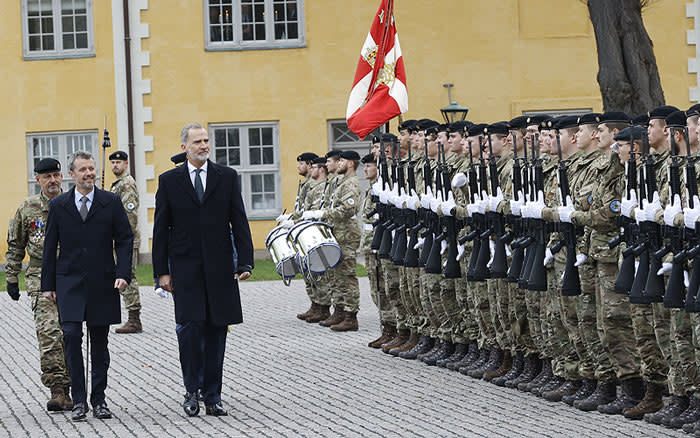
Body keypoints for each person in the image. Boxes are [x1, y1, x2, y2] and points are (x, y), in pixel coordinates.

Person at [152, 123, 254, 417]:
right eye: (197, 141)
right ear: (184, 146)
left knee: (216, 331)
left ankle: (213, 394)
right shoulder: (170, 181)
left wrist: (244, 261)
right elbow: (161, 230)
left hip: (220, 269)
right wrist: (162, 272)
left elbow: (239, 220)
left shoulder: (226, 177)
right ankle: (191, 390)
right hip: (185, 270)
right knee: (189, 330)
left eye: (206, 140)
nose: (203, 145)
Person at [41, 151, 133, 422]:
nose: (89, 173)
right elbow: (50, 247)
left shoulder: (111, 201)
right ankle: (79, 400)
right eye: (83, 170)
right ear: (73, 174)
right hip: (68, 281)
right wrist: (48, 284)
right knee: (71, 336)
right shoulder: (59, 205)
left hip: (102, 280)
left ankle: (99, 399)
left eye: (92, 168)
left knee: (100, 342)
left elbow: (125, 239)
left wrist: (123, 273)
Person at [5, 158, 73, 411]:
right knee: (49, 333)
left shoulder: (72, 204)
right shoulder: (29, 207)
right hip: (38, 275)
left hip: (70, 276)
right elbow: (16, 245)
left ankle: (74, 387)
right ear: (38, 180)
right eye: (47, 177)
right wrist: (11, 277)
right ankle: (58, 389)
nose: (53, 180)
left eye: (56, 175)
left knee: (71, 333)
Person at [108, 150, 143, 334]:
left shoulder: (127, 185)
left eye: (118, 163)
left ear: (126, 164)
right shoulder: (117, 184)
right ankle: (131, 316)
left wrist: (122, 237)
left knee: (128, 275)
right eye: (113, 162)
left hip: (126, 239)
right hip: (117, 239)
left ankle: (134, 318)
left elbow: (130, 214)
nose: (115, 165)